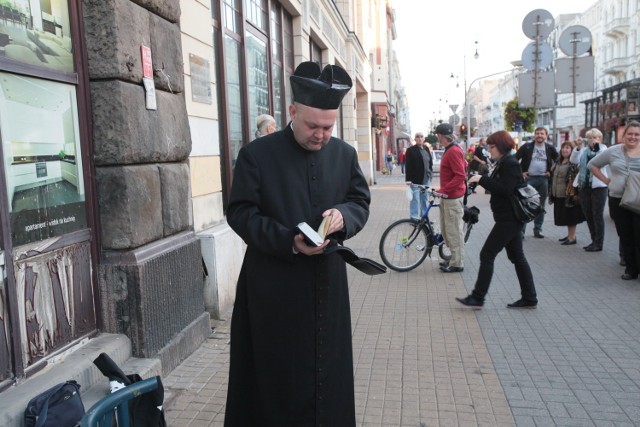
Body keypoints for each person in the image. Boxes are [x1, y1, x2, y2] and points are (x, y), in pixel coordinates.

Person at [224, 61, 370, 426]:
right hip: (273, 290)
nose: (321, 135)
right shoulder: (256, 155)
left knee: (328, 378)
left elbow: (359, 203)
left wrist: (342, 217)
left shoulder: (344, 155)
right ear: (292, 112)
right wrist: (289, 240)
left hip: (328, 287)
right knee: (276, 384)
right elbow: (240, 213)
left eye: (328, 127)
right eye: (312, 126)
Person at [457, 131, 538, 309]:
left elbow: (506, 189)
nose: (489, 149)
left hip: (509, 219)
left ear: (500, 146)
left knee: (487, 254)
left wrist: (481, 179)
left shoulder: (510, 162)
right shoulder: (505, 161)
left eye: (491, 146)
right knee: (517, 257)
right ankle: (530, 297)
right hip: (509, 218)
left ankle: (478, 297)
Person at [588, 121, 640, 280]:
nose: (633, 137)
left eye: (637, 134)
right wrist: (607, 180)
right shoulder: (613, 151)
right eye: (630, 134)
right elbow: (592, 165)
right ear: (623, 136)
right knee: (625, 235)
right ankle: (631, 269)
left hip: (638, 201)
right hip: (618, 200)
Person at [515, 126, 559, 238]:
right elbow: (514, 159)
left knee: (540, 205)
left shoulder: (549, 148)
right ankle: (521, 231)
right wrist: (521, 172)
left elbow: (559, 160)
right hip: (528, 179)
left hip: (543, 180)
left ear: (546, 135)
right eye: (537, 133)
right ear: (534, 135)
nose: (539, 135)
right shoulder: (527, 147)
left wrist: (550, 171)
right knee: (525, 204)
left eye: (542, 133)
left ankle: (538, 229)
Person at [434, 123, 467, 273]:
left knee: (454, 232)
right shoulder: (452, 149)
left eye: (438, 136)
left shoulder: (453, 151)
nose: (438, 138)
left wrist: (443, 190)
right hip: (448, 197)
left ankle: (457, 263)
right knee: (448, 231)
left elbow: (460, 175)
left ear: (441, 136)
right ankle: (453, 259)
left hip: (452, 198)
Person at [570, 128, 608, 251]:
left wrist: (596, 148)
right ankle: (593, 240)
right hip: (584, 186)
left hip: (599, 186)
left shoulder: (604, 150)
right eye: (590, 138)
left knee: (597, 215)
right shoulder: (584, 151)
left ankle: (599, 243)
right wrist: (578, 147)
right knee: (588, 215)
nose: (592, 140)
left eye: (595, 137)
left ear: (600, 139)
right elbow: (573, 160)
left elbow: (601, 161)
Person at [549, 141, 585, 245]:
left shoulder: (574, 162)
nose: (564, 150)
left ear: (572, 150)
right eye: (563, 147)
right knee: (566, 216)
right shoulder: (558, 161)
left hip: (569, 194)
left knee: (571, 216)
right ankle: (570, 235)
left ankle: (572, 237)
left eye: (567, 148)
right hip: (558, 193)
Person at [405, 132, 433, 220]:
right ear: (415, 139)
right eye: (418, 137)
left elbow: (430, 163)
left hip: (426, 178)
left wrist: (430, 173)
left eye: (421, 137)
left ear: (424, 139)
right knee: (415, 199)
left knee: (424, 199)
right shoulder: (410, 150)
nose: (420, 138)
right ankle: (414, 217)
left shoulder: (426, 149)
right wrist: (408, 180)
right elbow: (408, 165)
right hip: (415, 179)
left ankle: (424, 217)